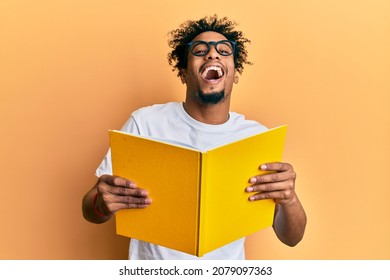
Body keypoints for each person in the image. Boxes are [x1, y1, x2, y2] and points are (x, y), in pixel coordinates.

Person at [82, 15, 307, 260]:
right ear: (183, 74)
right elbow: (90, 209)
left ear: (234, 74)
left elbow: (292, 238)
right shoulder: (144, 123)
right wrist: (101, 204)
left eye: (224, 50)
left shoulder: (256, 138)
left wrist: (289, 198)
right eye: (200, 51)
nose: (212, 55)